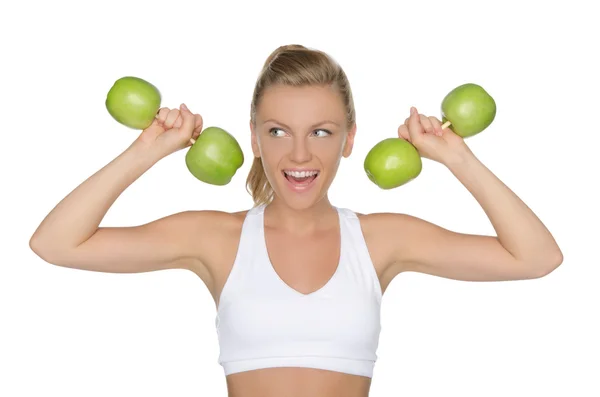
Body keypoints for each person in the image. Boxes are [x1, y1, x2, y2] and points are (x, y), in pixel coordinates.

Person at [29, 44, 563, 397]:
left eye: (323, 132)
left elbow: (537, 257)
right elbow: (56, 243)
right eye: (279, 131)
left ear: (350, 140)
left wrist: (455, 156)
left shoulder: (381, 240)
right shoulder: (215, 238)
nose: (300, 154)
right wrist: (148, 149)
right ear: (256, 139)